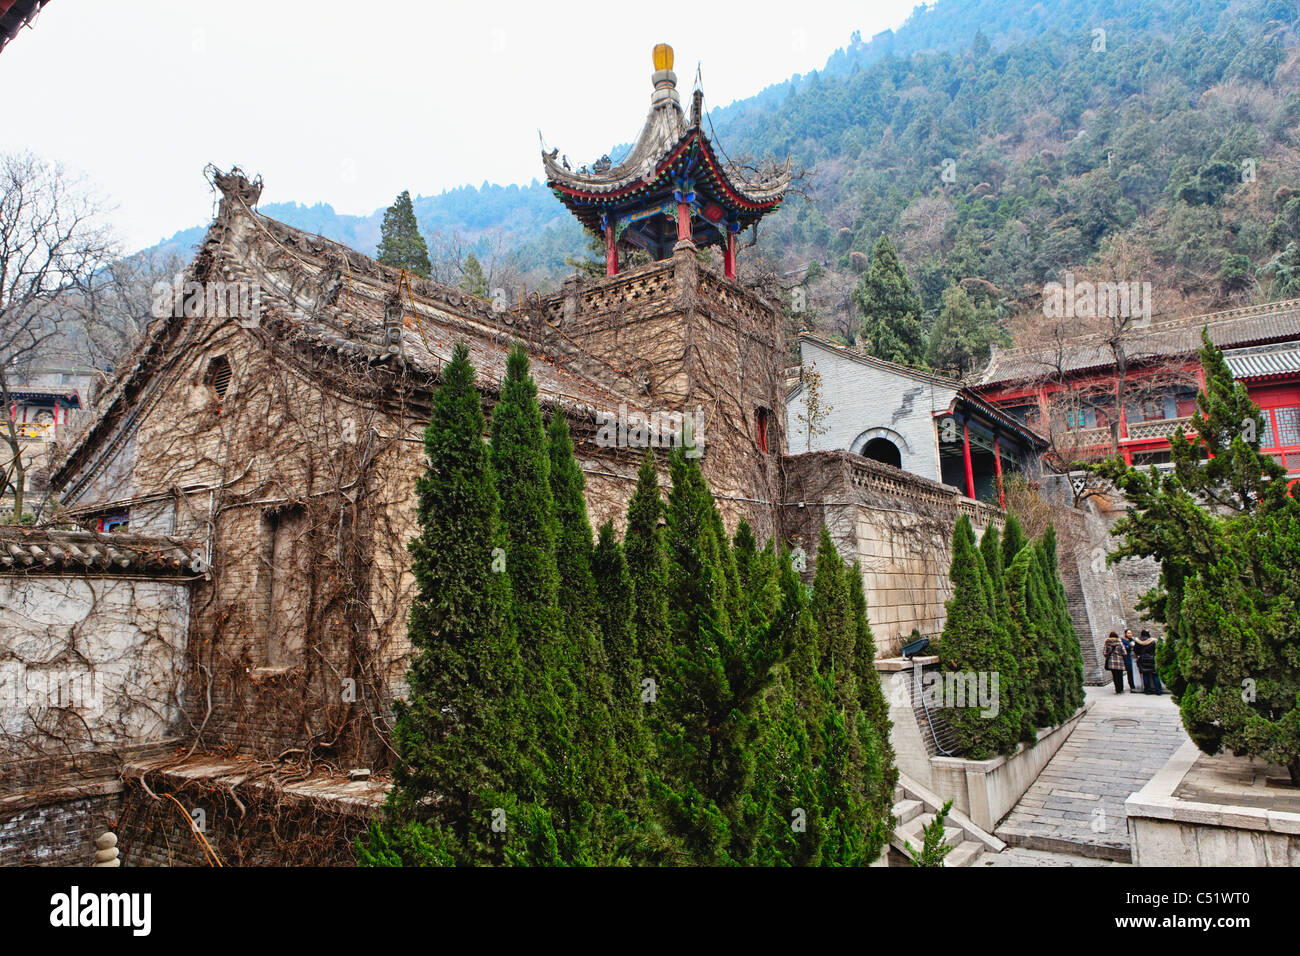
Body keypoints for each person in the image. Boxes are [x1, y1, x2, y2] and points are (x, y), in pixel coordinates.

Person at [1135, 629, 1164, 695]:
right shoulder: (1153, 641)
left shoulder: (1138, 641)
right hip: (1152, 659)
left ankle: (1147, 691)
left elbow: (1136, 651)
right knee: (1155, 675)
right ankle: (1158, 691)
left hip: (1142, 659)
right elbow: (1157, 649)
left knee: (1145, 675)